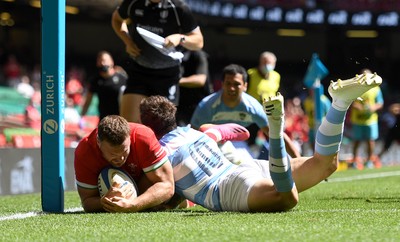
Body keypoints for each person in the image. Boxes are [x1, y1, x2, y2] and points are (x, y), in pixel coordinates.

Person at [139, 71, 382, 212]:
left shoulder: (160, 156)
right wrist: (217, 131)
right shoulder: (197, 132)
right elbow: (242, 133)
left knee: (286, 199)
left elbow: (164, 194)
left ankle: (274, 131)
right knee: (325, 164)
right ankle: (339, 104)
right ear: (172, 114)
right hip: (247, 168)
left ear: (148, 127)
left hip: (228, 188)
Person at [111, 0, 204, 123]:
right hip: (139, 71)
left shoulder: (179, 7)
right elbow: (117, 20)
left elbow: (199, 42)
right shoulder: (133, 2)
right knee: (130, 126)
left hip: (167, 76)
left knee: (160, 129)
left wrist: (180, 38)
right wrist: (127, 41)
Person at [190, 64, 300, 161]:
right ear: (222, 84)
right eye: (228, 83)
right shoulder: (207, 106)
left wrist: (299, 160)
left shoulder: (253, 107)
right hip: (210, 146)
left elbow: (276, 134)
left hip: (240, 146)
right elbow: (192, 135)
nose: (232, 88)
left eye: (236, 84)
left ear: (245, 86)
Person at [74, 115, 175, 213]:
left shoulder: (143, 137)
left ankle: (182, 201)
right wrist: (104, 202)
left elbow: (168, 186)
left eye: (125, 151)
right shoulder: (85, 152)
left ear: (129, 138)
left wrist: (133, 205)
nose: (121, 158)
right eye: (113, 154)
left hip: (146, 182)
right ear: (98, 142)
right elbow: (87, 202)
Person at [349, 69, 384, 169]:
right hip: (357, 120)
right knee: (357, 141)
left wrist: (373, 107)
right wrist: (357, 106)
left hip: (370, 121)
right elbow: (350, 101)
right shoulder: (355, 88)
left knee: (370, 141)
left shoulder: (376, 88)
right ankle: (354, 161)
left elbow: (380, 103)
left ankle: (369, 161)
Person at [80, 51, 127, 121]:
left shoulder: (122, 79)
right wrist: (81, 117)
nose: (102, 63)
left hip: (120, 120)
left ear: (112, 62)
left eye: (104, 60)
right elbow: (88, 100)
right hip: (104, 120)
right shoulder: (96, 80)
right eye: (100, 61)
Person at [246, 51, 280, 146]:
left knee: (272, 139)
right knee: (249, 139)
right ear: (260, 62)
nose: (267, 65)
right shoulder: (250, 74)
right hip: (252, 114)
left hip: (270, 114)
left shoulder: (276, 76)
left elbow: (277, 94)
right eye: (264, 62)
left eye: (269, 63)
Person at [176, 50, 212, 126]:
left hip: (199, 106)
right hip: (180, 105)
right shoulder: (173, 53)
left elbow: (200, 80)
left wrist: (174, 81)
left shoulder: (198, 54)